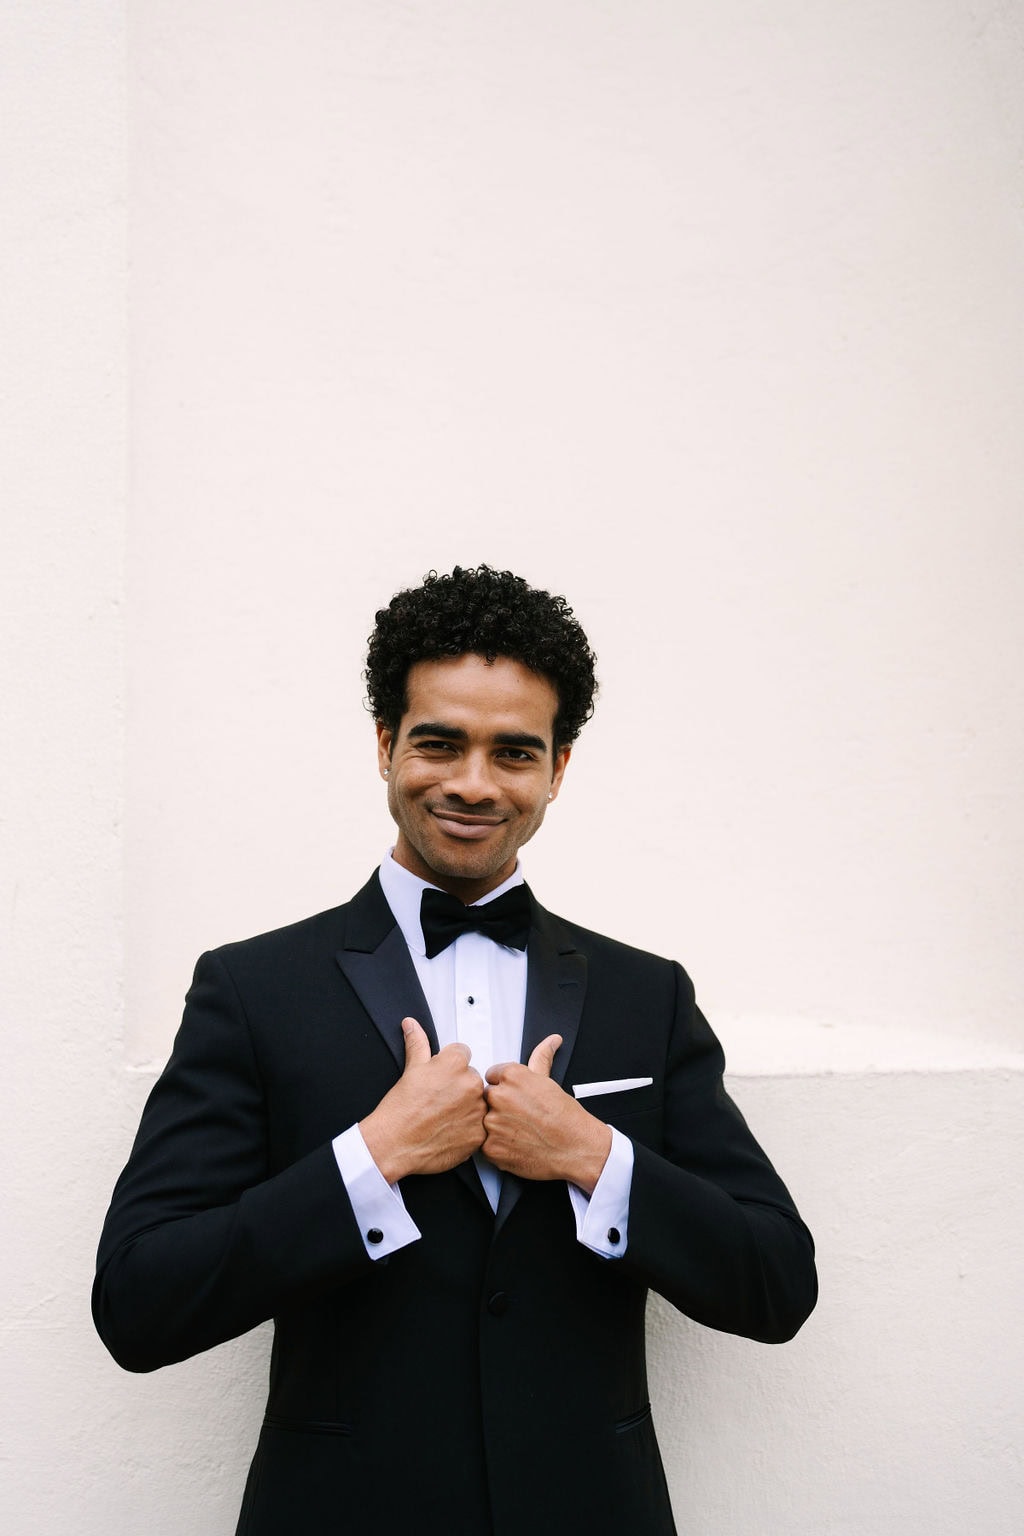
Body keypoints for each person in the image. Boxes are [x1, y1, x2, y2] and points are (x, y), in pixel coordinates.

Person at [94, 565, 817, 1536]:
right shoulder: (252, 990)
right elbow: (142, 1301)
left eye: (513, 752)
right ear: (386, 744)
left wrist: (591, 1157)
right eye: (440, 742)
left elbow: (775, 1282)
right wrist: (374, 1155)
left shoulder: (649, 996)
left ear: (557, 769)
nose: (474, 783)